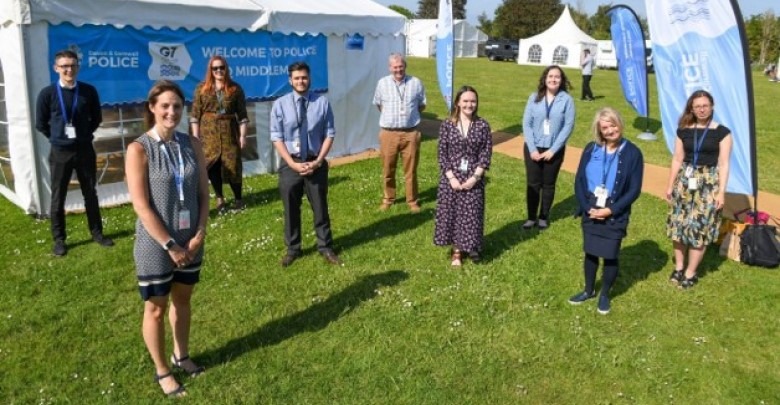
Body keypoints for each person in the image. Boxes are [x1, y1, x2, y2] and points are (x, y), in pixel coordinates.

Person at [126, 81, 209, 398]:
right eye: (165, 105)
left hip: (190, 241)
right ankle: (163, 371)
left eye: (176, 105)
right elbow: (141, 206)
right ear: (152, 108)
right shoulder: (139, 149)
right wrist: (171, 245)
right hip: (156, 246)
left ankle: (182, 355)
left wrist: (199, 232)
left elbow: (203, 193)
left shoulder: (193, 144)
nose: (171, 111)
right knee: (156, 308)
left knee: (183, 300)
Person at [35, 49, 114, 256]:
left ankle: (97, 233)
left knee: (90, 193)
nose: (69, 69)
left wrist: (83, 136)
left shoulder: (88, 91)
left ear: (78, 67)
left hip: (84, 150)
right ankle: (59, 240)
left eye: (72, 65)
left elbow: (96, 119)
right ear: (56, 68)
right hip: (60, 152)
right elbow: (41, 123)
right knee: (58, 197)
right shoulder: (47, 94)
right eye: (64, 66)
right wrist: (58, 139)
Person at [569, 108, 644, 314]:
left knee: (610, 254)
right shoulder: (590, 149)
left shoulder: (633, 153)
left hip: (614, 210)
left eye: (613, 124)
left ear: (620, 123)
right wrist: (586, 207)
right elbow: (579, 180)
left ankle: (604, 294)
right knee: (591, 252)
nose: (611, 130)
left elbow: (634, 190)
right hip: (591, 206)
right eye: (605, 127)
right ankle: (588, 290)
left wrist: (610, 210)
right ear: (599, 131)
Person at [270, 61, 342, 267]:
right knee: (291, 208)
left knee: (320, 206)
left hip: (315, 162)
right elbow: (277, 137)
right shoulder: (280, 104)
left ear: (309, 78)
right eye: (297, 78)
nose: (301, 81)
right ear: (290, 80)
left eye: (304, 77)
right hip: (291, 163)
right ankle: (293, 248)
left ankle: (325, 247)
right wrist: (292, 164)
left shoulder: (322, 103)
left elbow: (330, 133)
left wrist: (319, 161)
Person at [665, 90, 732, 289]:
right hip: (684, 179)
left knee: (699, 228)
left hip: (708, 182)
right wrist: (670, 186)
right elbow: (677, 158)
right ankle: (678, 267)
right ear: (691, 109)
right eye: (697, 106)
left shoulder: (722, 132)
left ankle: (690, 272)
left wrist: (721, 192)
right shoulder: (683, 130)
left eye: (705, 105)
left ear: (712, 106)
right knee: (679, 225)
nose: (702, 109)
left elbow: (724, 164)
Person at [434, 86, 492, 266]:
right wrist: (451, 177)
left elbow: (486, 153)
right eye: (465, 101)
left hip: (473, 177)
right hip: (451, 177)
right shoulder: (447, 125)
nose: (469, 104)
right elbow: (442, 153)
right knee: (453, 213)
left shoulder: (482, 125)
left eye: (473, 101)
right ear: (458, 102)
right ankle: (457, 251)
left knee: (472, 214)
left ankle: (471, 246)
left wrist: (475, 177)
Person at [190, 56, 250, 213]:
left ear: (226, 68)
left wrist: (243, 136)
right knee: (212, 166)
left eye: (221, 67)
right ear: (210, 70)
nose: (219, 71)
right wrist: (196, 138)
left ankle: (238, 198)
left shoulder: (235, 89)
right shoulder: (201, 89)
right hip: (208, 133)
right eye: (215, 68)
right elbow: (195, 115)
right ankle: (219, 198)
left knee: (233, 164)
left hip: (230, 132)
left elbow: (243, 115)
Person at [521, 65, 576, 230]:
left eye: (557, 77)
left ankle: (543, 217)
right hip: (534, 148)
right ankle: (531, 217)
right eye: (550, 76)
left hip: (554, 149)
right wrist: (532, 149)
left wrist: (553, 150)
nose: (553, 79)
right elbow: (526, 123)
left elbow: (568, 126)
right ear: (545, 79)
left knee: (549, 184)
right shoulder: (534, 98)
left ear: (561, 80)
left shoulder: (567, 100)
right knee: (533, 183)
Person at [373, 53, 427, 213]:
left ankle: (412, 201)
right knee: (388, 169)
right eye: (395, 67)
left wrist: (409, 117)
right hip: (388, 133)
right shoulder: (382, 83)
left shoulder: (416, 83)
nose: (398, 70)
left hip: (410, 133)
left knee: (411, 170)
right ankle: (388, 199)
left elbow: (422, 105)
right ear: (390, 68)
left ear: (405, 66)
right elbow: (378, 104)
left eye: (401, 66)